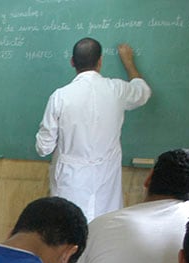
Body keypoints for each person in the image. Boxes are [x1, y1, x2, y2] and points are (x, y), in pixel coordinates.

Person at [35, 39, 151, 222]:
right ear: (100, 61)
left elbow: (44, 148)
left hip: (70, 180)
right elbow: (143, 92)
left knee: (68, 228)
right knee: (104, 230)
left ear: (72, 61)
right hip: (106, 178)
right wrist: (128, 62)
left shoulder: (60, 97)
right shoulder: (117, 89)